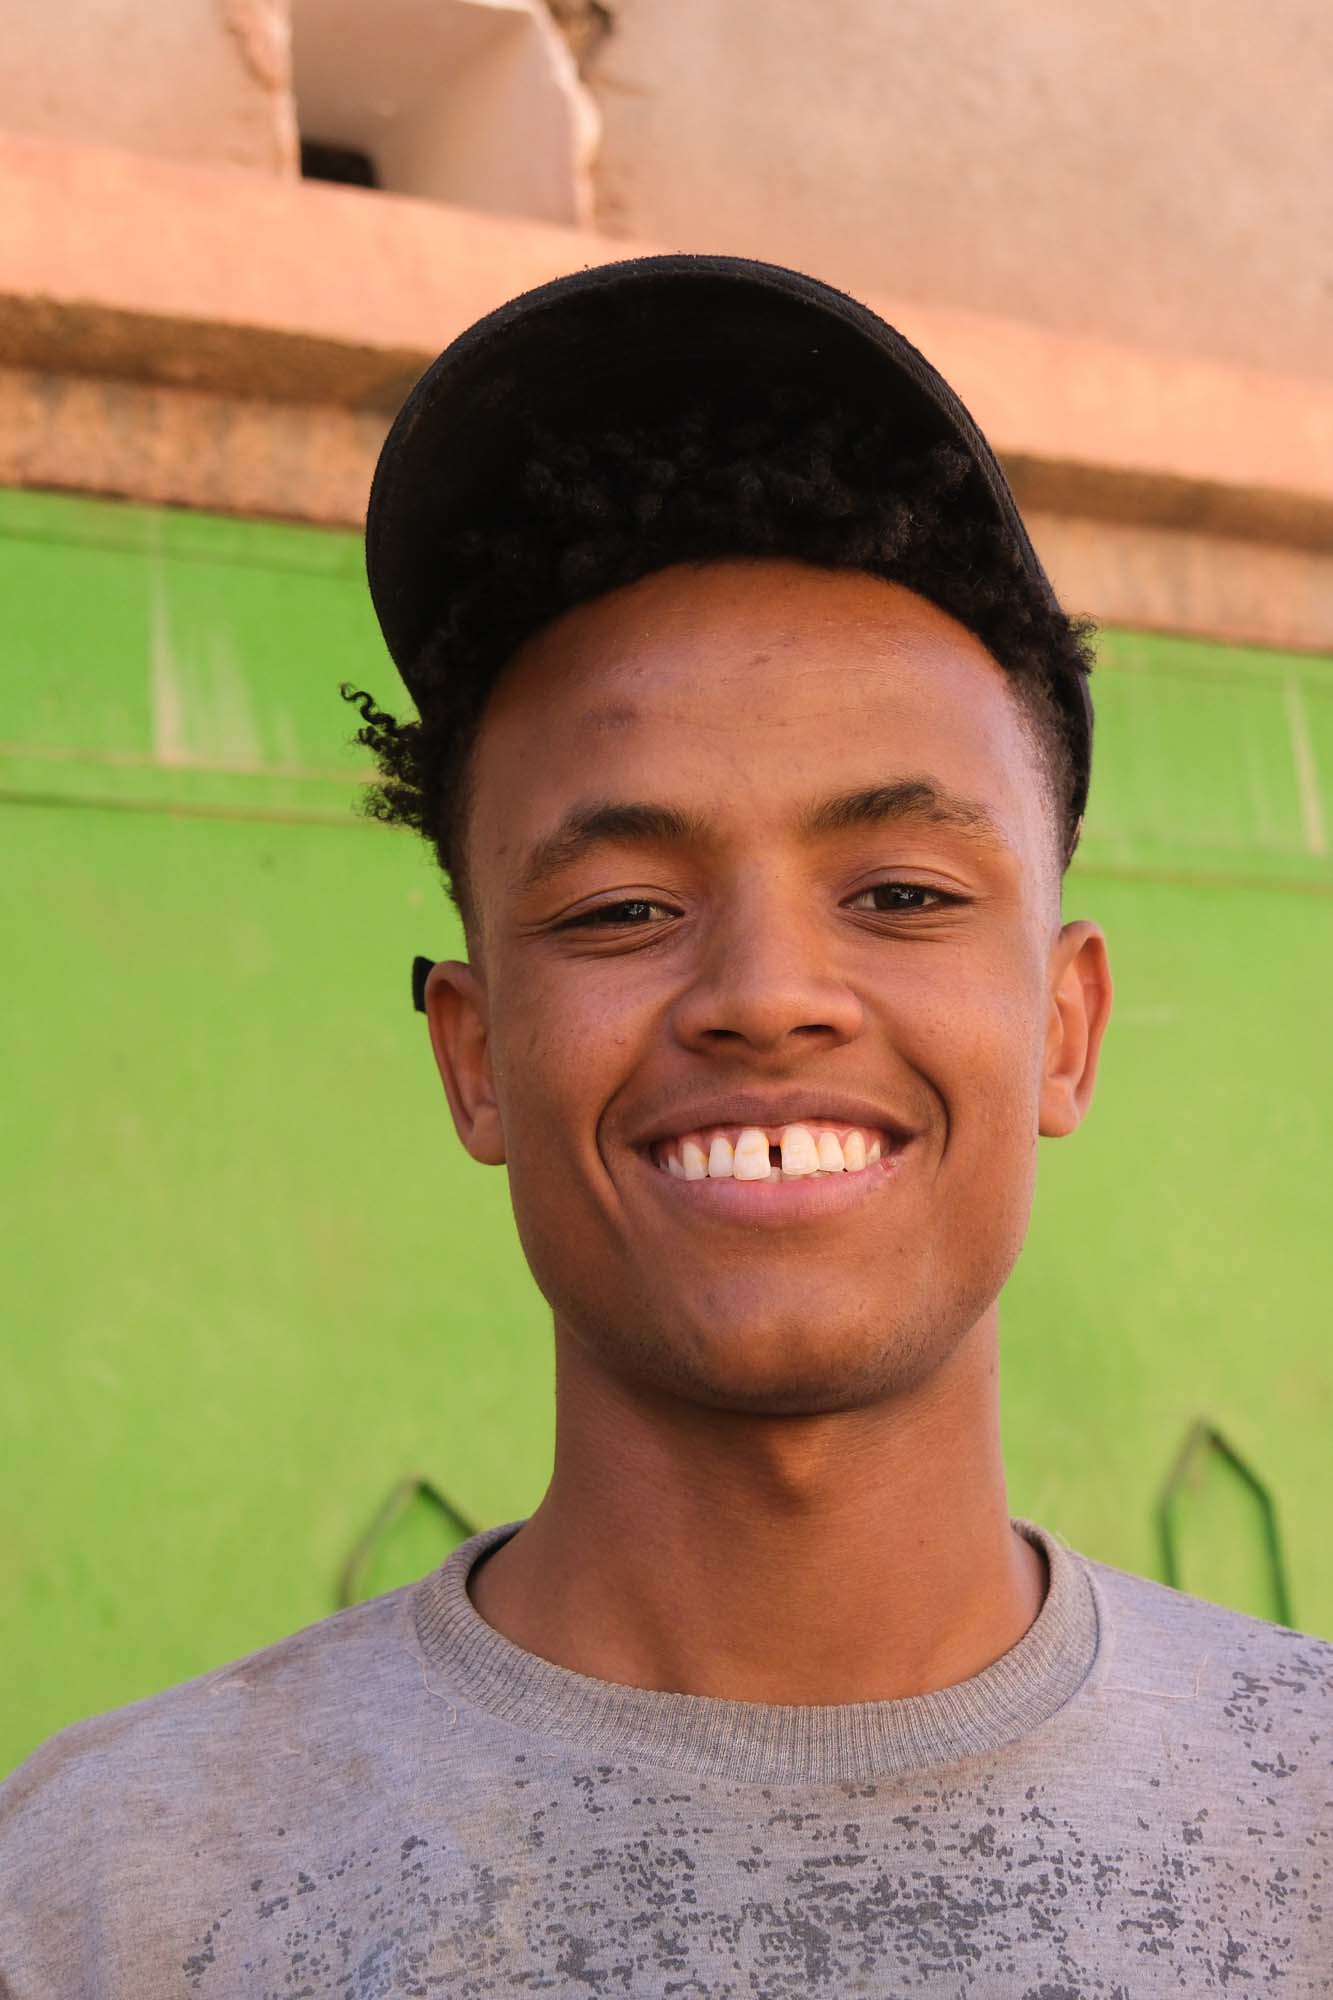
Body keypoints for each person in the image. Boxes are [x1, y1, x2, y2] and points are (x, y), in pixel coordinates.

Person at [1, 255, 1327, 1995]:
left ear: (1064, 1028)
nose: (764, 996)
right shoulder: (105, 1896)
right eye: (621, 910)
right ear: (475, 1055)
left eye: (902, 892)